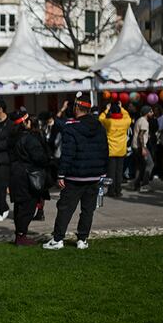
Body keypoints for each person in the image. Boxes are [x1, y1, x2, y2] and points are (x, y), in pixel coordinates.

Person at [44, 94, 108, 251]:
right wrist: (102, 172)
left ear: (77, 107)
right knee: (87, 209)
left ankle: (58, 239)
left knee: (65, 208)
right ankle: (82, 239)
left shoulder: (71, 126)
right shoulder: (98, 125)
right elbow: (104, 149)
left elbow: (68, 153)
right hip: (93, 175)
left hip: (75, 176)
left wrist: (61, 174)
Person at [8, 110, 49, 246]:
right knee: (28, 206)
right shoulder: (29, 138)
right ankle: (21, 236)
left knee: (20, 206)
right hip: (27, 176)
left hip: (15, 174)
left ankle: (20, 234)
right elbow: (40, 158)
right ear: (25, 123)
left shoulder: (12, 137)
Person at [99, 101, 131, 197]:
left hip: (111, 150)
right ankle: (118, 190)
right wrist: (121, 108)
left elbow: (101, 118)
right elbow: (127, 116)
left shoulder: (109, 122)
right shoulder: (125, 122)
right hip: (121, 150)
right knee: (119, 172)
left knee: (111, 172)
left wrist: (107, 109)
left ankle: (111, 191)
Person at [132, 105, 154, 193]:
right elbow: (141, 136)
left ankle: (136, 185)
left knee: (140, 166)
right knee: (150, 164)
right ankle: (145, 184)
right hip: (140, 147)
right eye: (151, 112)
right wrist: (143, 148)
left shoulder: (139, 120)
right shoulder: (144, 122)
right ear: (147, 113)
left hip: (135, 146)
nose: (152, 113)